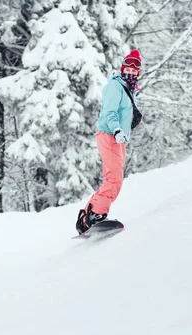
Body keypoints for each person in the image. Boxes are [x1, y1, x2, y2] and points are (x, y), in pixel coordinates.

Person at [75, 49, 143, 234]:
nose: (131, 73)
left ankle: (86, 218)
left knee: (113, 179)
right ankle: (96, 214)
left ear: (138, 73)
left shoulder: (128, 89)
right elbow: (110, 112)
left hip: (118, 139)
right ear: (122, 70)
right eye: (128, 70)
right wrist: (117, 129)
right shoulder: (115, 86)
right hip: (110, 135)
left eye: (134, 71)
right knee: (114, 180)